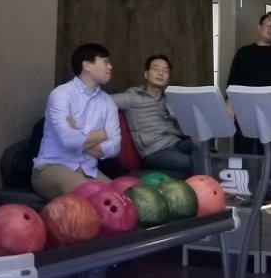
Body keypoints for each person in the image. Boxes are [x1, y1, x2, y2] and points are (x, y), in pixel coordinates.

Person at [31, 43, 121, 200]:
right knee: (91, 196)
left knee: (122, 199)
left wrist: (78, 131)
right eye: (105, 62)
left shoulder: (108, 102)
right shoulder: (61, 94)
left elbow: (115, 147)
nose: (110, 66)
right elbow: (69, 140)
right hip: (52, 167)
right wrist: (104, 134)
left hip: (89, 171)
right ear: (87, 65)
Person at [112, 54, 207, 177]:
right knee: (199, 163)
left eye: (165, 71)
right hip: (155, 152)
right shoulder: (132, 98)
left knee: (207, 148)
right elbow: (103, 101)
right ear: (146, 74)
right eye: (156, 69)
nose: (161, 73)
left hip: (177, 144)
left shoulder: (170, 99)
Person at [227, 12, 271, 179]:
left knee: (267, 150)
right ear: (259, 27)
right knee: (243, 148)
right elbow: (233, 79)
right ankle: (242, 185)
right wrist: (229, 103)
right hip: (244, 107)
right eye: (267, 25)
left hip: (270, 108)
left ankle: (266, 186)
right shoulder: (244, 52)